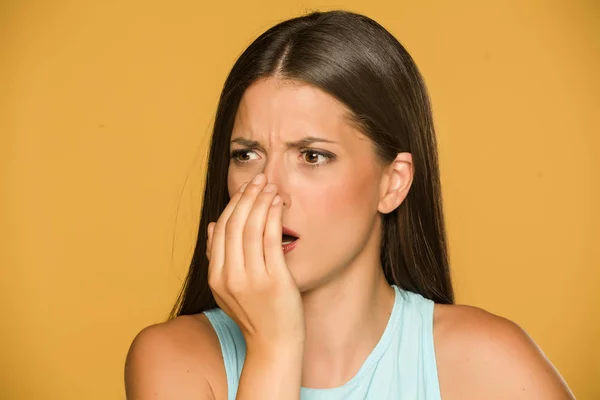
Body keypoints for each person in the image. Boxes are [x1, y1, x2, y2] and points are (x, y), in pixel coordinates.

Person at [124, 10, 574, 400]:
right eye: (246, 154)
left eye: (312, 156)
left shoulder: (489, 362)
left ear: (392, 183)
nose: (269, 189)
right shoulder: (174, 359)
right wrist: (273, 347)